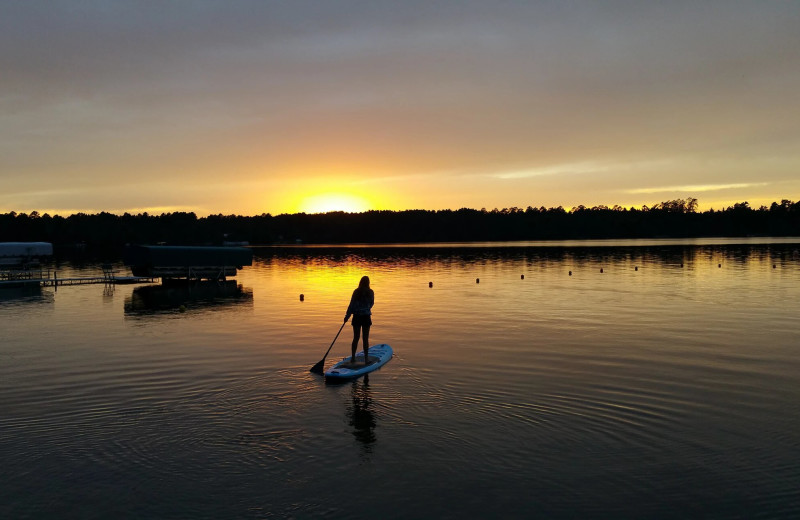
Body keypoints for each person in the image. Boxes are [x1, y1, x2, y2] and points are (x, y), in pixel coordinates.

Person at [344, 275, 374, 365]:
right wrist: (366, 308)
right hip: (365, 317)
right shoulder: (370, 292)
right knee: (365, 338)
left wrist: (347, 316)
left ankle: (353, 358)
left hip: (356, 317)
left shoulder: (356, 292)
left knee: (355, 338)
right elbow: (372, 303)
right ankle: (366, 359)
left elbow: (351, 304)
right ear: (368, 283)